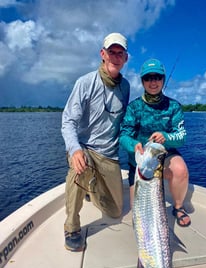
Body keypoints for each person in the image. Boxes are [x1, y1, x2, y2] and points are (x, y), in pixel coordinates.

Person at [61, 33, 130, 251]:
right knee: (79, 169)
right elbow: (68, 120)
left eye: (120, 53)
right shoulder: (85, 82)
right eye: (112, 52)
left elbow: (124, 122)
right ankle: (71, 228)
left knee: (116, 211)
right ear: (103, 54)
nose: (116, 57)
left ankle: (92, 189)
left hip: (110, 155)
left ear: (126, 58)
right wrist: (74, 150)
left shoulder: (126, 87)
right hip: (86, 148)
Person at [120, 58, 191, 227]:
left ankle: (179, 207)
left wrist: (166, 136)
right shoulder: (133, 107)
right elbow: (123, 135)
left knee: (180, 170)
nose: (153, 82)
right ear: (142, 81)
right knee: (137, 215)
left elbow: (182, 136)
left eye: (157, 77)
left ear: (163, 79)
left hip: (164, 155)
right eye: (148, 78)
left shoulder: (173, 107)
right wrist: (134, 145)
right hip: (140, 162)